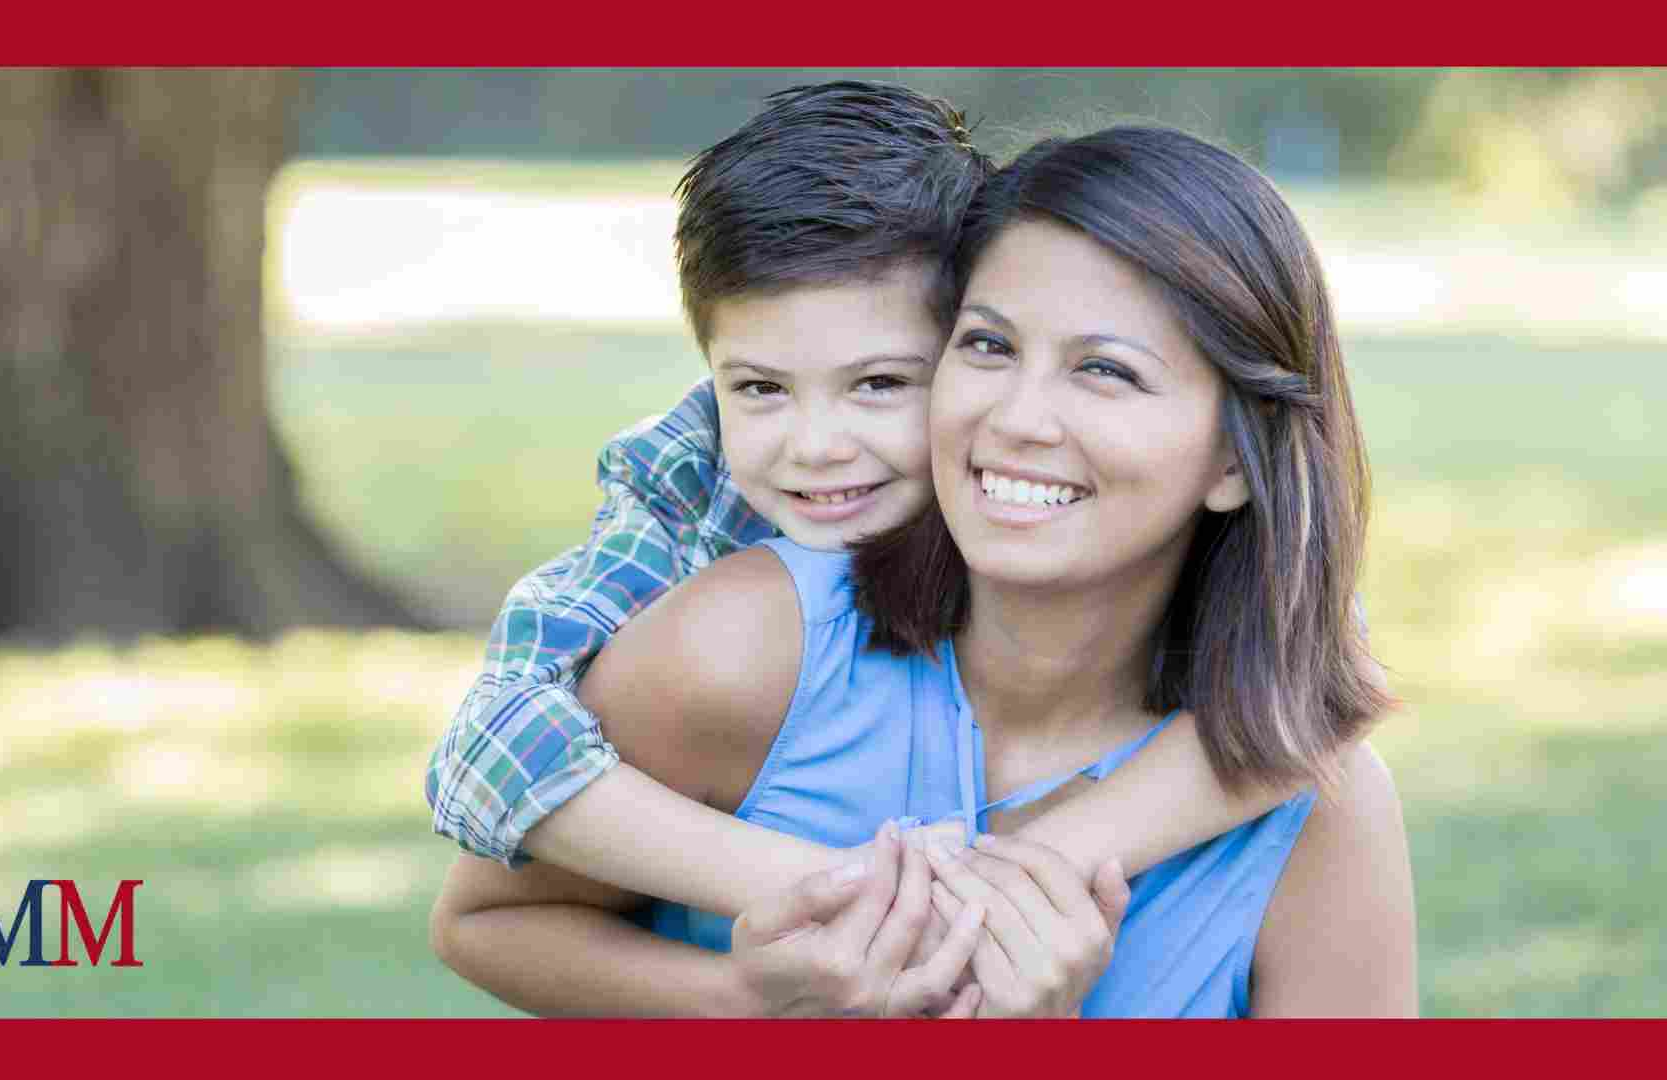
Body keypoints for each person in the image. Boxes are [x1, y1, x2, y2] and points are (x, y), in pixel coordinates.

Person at [431, 122, 1416, 1017]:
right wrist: (757, 1003)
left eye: (1106, 370)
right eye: (989, 345)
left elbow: (1316, 667)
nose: (1018, 418)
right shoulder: (742, 645)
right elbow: (486, 901)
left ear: (1237, 459)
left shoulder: (1312, 808)